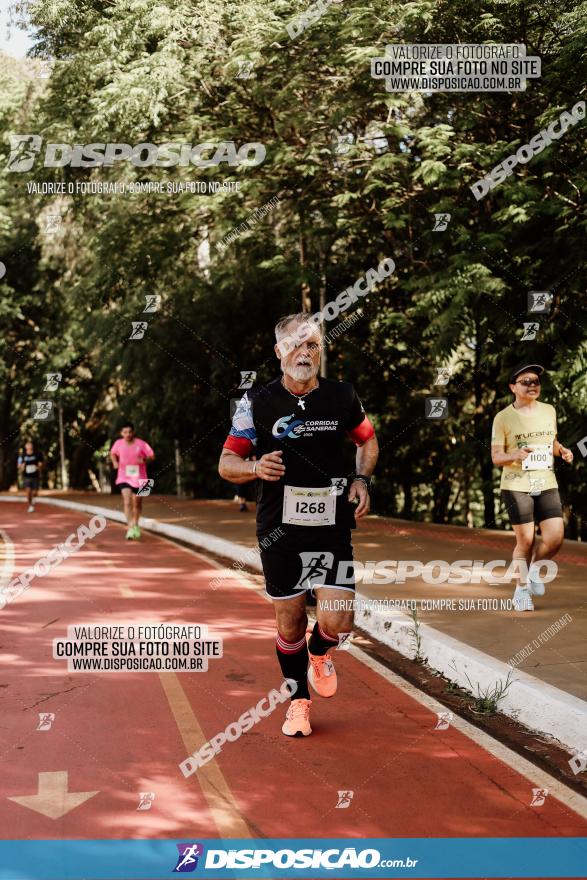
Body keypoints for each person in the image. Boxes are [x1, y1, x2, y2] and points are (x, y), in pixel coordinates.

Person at [218, 312, 378, 736]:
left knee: (339, 622)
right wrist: (255, 467)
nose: (303, 353)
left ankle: (320, 651)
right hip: (280, 532)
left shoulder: (343, 397)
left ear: (321, 350)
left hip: (332, 527)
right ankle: (298, 703)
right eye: (294, 344)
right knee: (289, 623)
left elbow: (367, 439)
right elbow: (226, 462)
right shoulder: (257, 403)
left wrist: (361, 479)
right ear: (278, 352)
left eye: (311, 345)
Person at [491, 362, 573, 612]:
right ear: (513, 387)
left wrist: (563, 451)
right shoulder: (503, 417)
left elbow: (552, 442)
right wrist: (515, 454)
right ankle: (521, 589)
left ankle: (535, 570)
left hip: (546, 481)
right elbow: (496, 457)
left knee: (555, 538)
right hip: (516, 484)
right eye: (525, 381)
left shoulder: (549, 410)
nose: (532, 385)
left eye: (536, 381)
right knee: (525, 540)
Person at [110, 422, 155, 540]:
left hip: (141, 478)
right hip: (124, 477)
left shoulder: (141, 444)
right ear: (121, 433)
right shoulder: (118, 443)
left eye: (130, 432)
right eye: (125, 432)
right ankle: (131, 527)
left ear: (133, 432)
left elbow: (152, 456)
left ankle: (136, 524)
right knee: (127, 500)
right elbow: (113, 453)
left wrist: (144, 459)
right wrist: (115, 462)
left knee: (138, 503)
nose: (128, 434)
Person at [17, 440, 44, 512]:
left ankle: (33, 498)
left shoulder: (37, 454)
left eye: (30, 445)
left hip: (35, 476)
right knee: (28, 491)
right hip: (26, 476)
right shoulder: (22, 455)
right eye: (27, 445)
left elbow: (41, 463)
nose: (29, 446)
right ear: (25, 447)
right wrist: (21, 466)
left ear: (32, 446)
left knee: (35, 492)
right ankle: (30, 505)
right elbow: (19, 465)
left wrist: (39, 466)